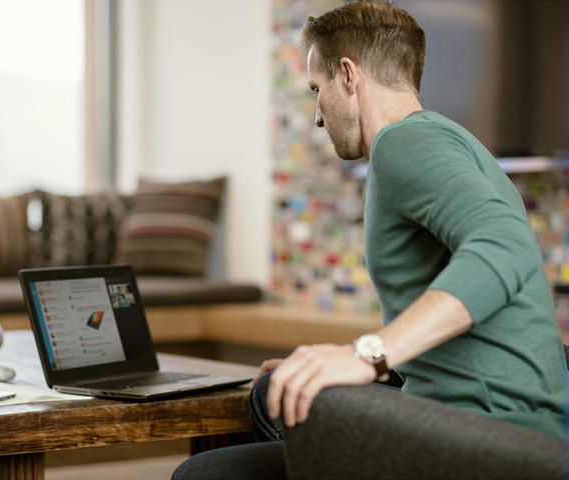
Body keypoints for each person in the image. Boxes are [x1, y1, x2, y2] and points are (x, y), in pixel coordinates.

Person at [173, 0, 566, 478]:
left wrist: (366, 356)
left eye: (317, 91)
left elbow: (504, 250)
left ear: (348, 75)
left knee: (203, 474)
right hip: (515, 423)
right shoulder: (447, 138)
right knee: (278, 386)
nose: (318, 117)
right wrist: (337, 358)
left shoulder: (403, 143)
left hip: (485, 436)